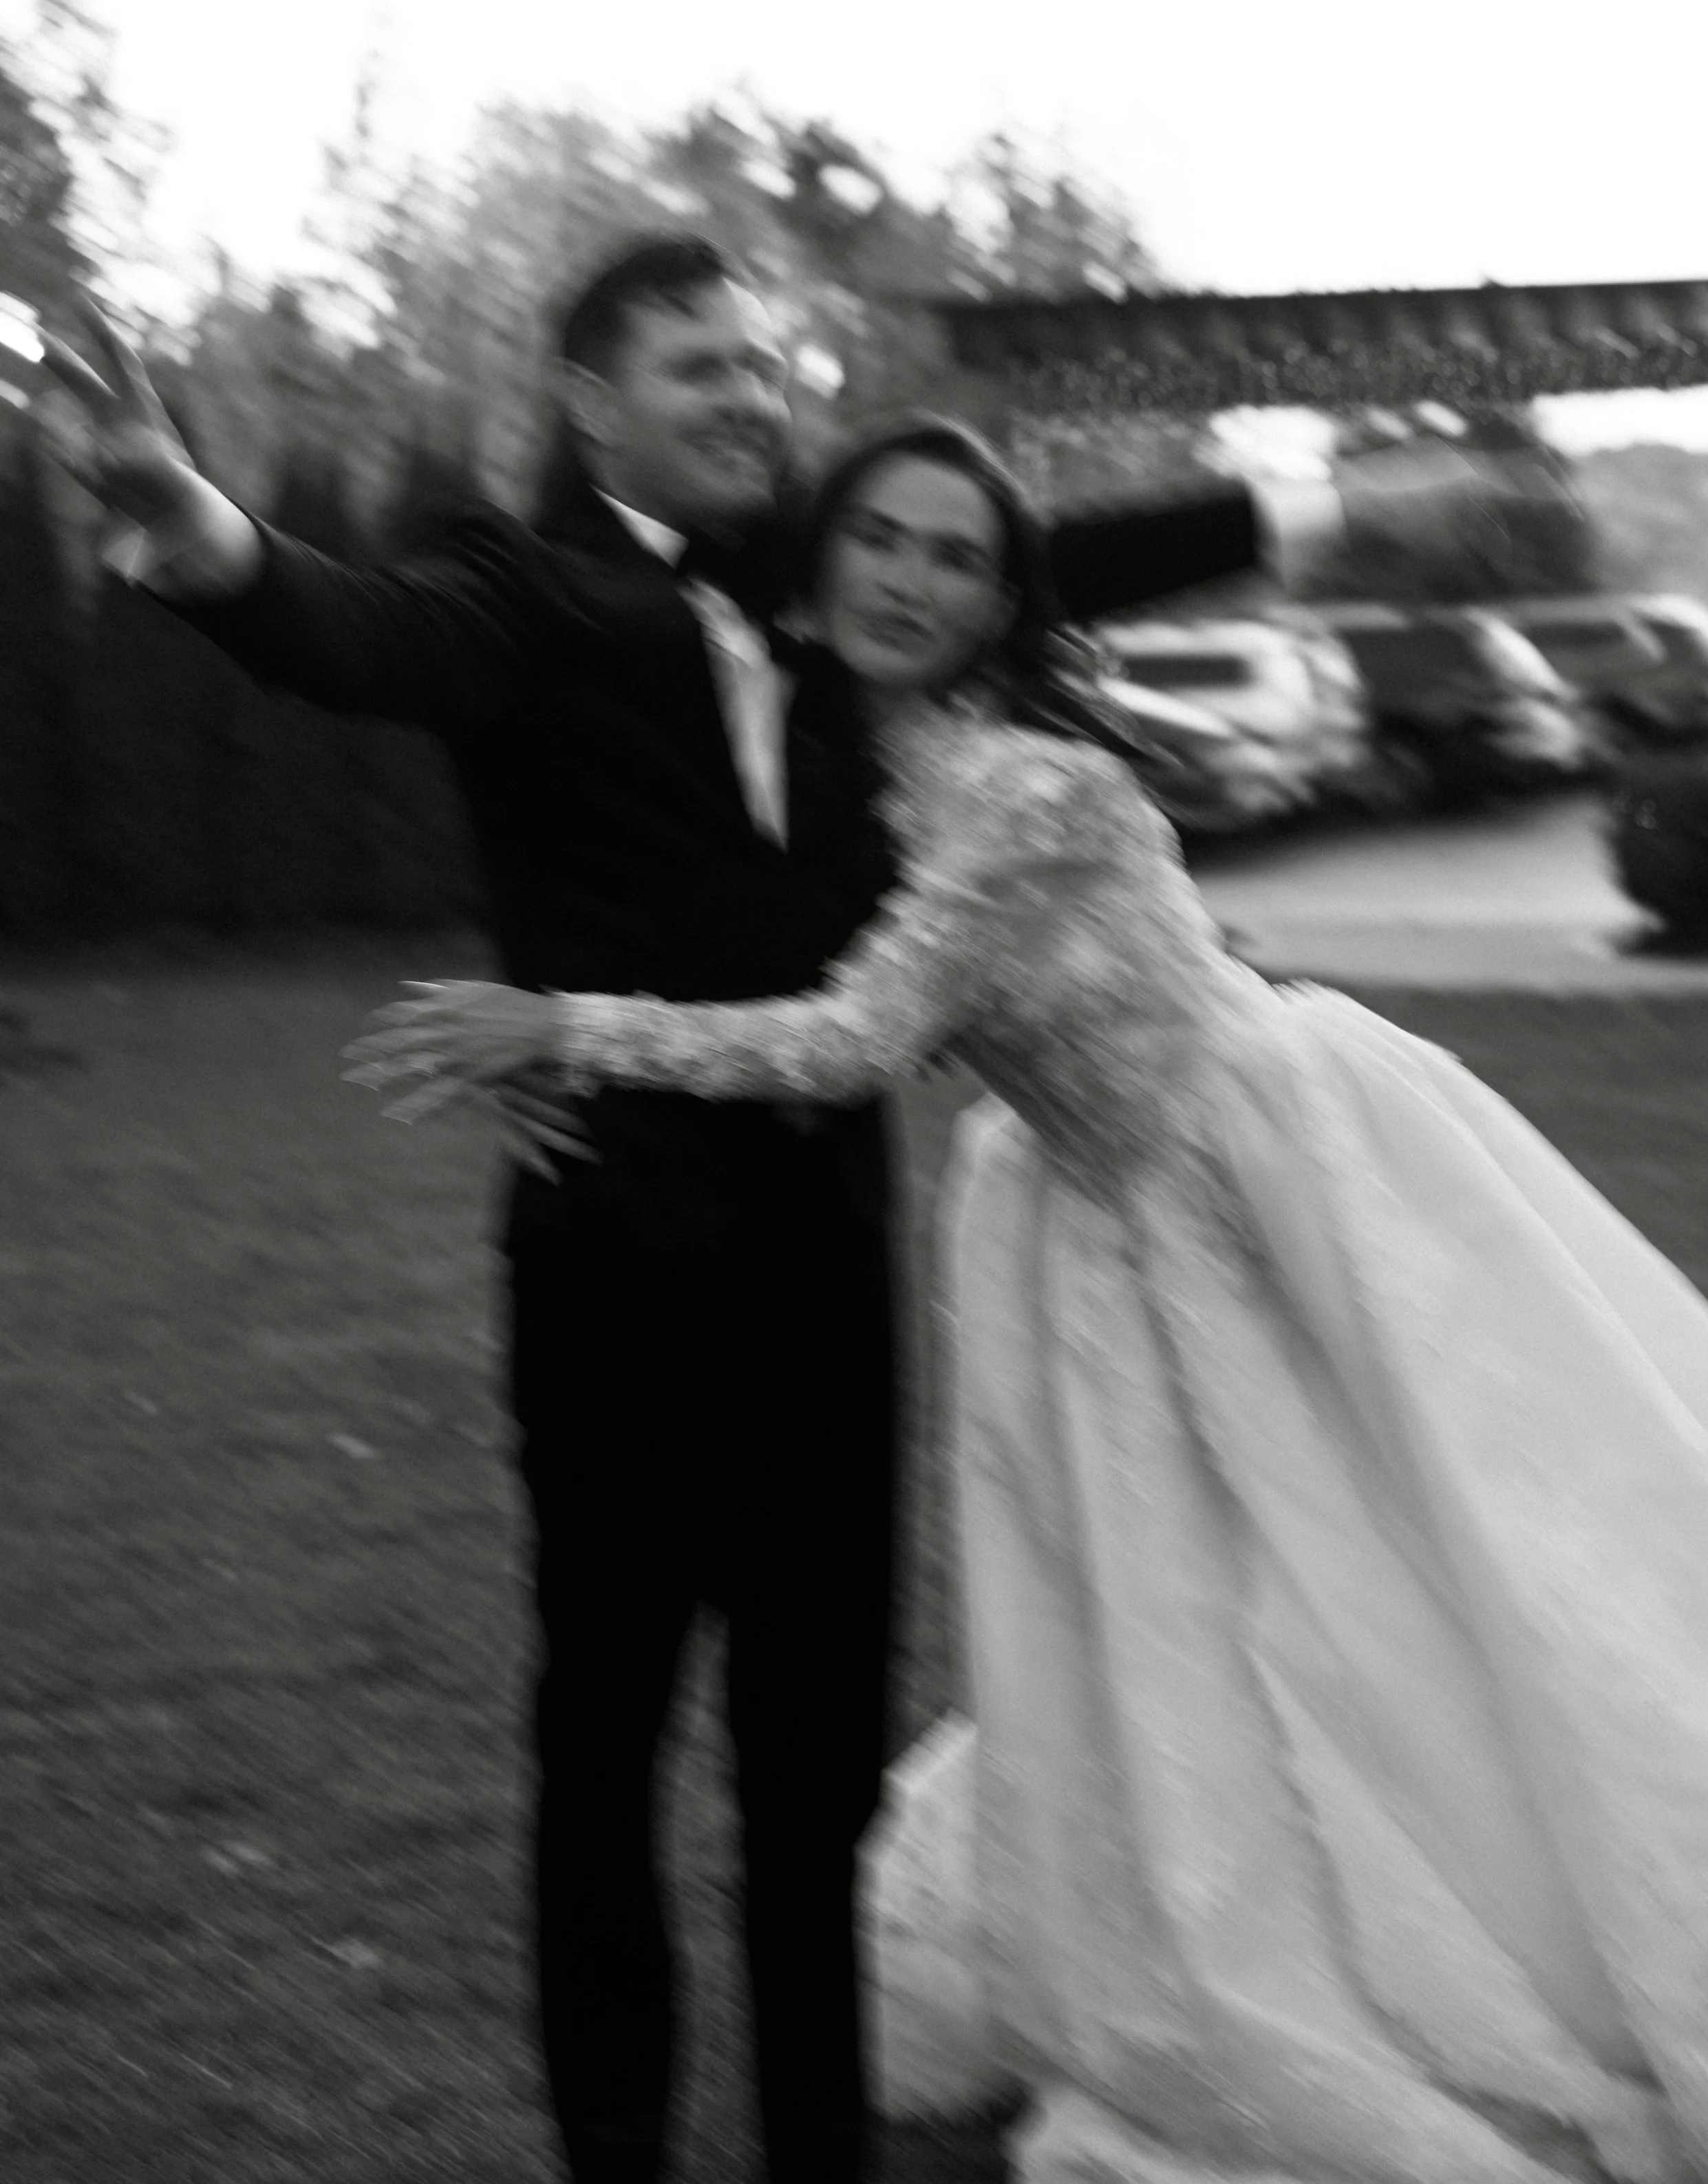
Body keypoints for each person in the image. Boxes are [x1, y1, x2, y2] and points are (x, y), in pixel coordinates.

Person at [35, 246, 1313, 2184]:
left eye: (766, 365)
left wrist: (1294, 498)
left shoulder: (838, 581)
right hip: (616, 1273)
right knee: (601, 1754)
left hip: (829, 1268)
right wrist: (199, 526)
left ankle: (819, 2150)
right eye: (702, 366)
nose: (751, 395)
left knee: (814, 1784)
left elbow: (1030, 558)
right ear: (588, 396)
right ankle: (614, 2149)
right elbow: (351, 631)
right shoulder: (518, 594)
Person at [359, 415, 1708, 2184]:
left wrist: (566, 1028)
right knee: (1243, 1606)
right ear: (820, 556)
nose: (910, 582)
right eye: (881, 542)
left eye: (957, 558)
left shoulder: (1027, 786)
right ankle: (1344, 1899)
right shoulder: (840, 755)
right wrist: (563, 1012)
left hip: (1259, 1171)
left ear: (1005, 602)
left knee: (1434, 1542)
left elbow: (851, 1039)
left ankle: (1570, 1906)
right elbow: (656, 841)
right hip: (1104, 1213)